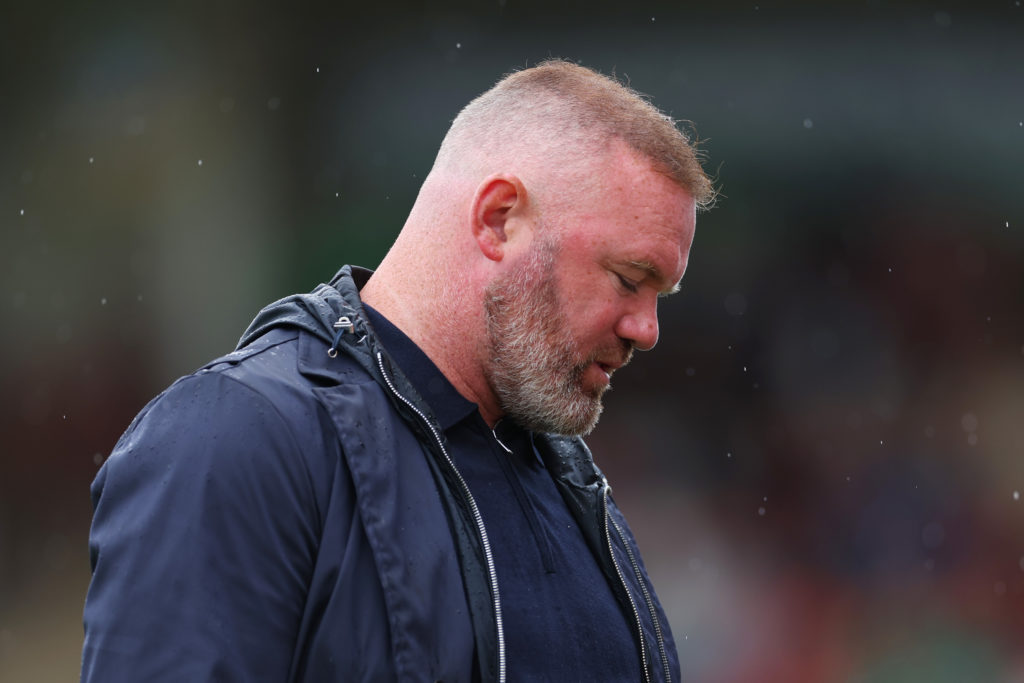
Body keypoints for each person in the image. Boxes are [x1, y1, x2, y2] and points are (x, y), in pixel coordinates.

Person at [81, 59, 715, 682]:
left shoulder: (566, 480)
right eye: (630, 279)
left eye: (661, 295)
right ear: (498, 219)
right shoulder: (237, 437)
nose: (647, 329)